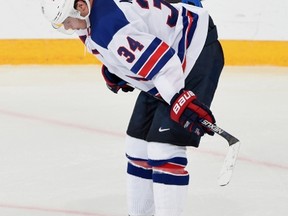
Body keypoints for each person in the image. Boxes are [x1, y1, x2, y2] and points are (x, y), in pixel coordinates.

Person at [40, 0, 224, 215]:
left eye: (67, 22)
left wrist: (179, 100)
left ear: (80, 7)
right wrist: (117, 69)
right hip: (167, 54)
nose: (68, 27)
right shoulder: (91, 17)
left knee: (164, 148)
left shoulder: (110, 26)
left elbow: (165, 66)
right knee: (137, 146)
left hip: (193, 49)